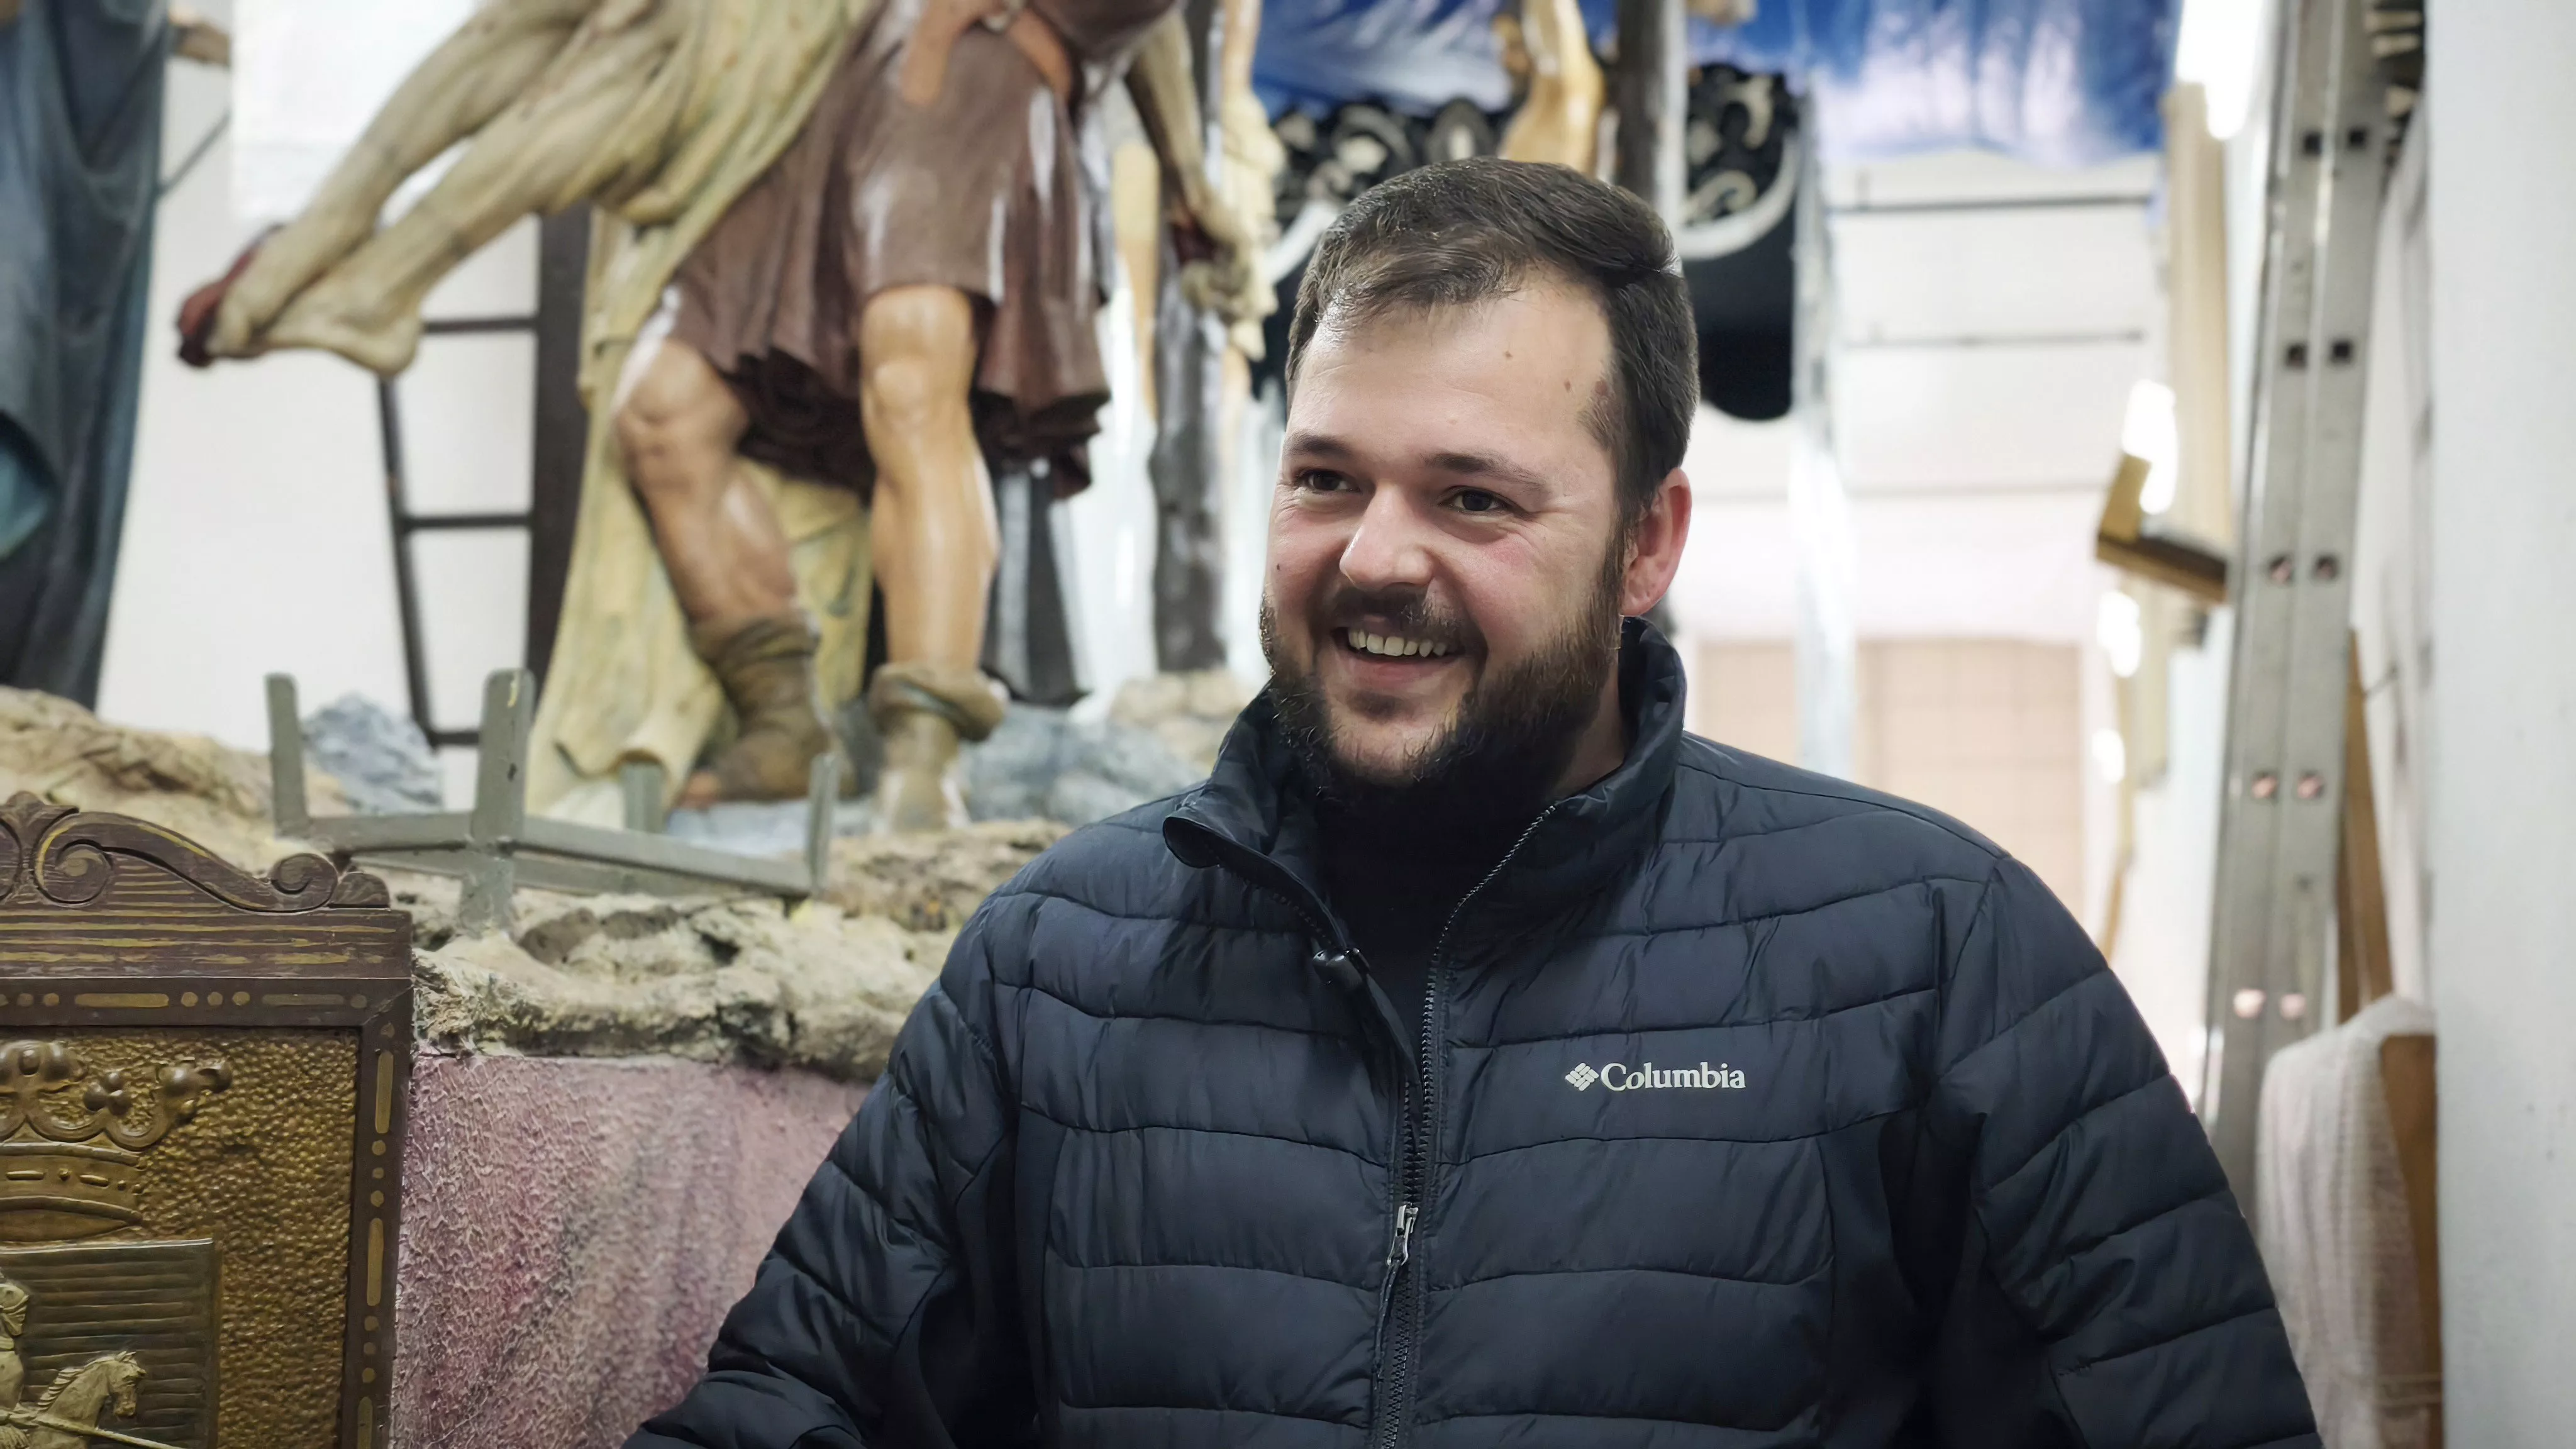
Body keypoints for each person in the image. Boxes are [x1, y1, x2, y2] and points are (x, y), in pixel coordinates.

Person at [629, 158, 2318, 1447]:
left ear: (1647, 545)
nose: (1374, 559)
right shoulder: (1057, 965)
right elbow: (800, 1408)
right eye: (1329, 480)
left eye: (1474, 498)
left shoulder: (1936, 956)